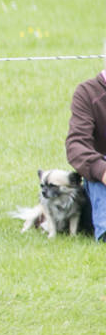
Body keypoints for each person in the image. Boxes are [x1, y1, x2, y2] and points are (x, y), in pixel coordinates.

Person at [64, 59, 106, 240]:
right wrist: (103, 171)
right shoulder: (87, 93)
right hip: (101, 181)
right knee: (97, 167)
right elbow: (76, 145)